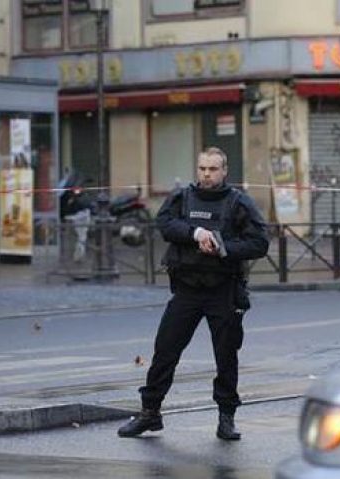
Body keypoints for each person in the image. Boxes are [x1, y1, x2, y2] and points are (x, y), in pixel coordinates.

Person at [117, 146, 269, 441]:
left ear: (224, 171)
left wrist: (222, 246)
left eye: (213, 169)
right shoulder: (182, 196)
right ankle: (150, 414)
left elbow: (259, 242)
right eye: (202, 168)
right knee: (165, 351)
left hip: (222, 291)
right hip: (187, 290)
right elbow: (164, 223)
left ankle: (226, 418)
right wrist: (195, 233)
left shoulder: (239, 202)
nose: (206, 174)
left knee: (226, 357)